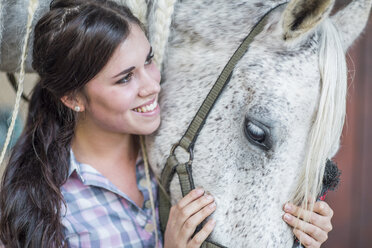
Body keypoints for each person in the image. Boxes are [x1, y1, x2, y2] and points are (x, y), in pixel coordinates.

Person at [0, 0, 333, 247]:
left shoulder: (171, 153)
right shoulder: (58, 210)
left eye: (148, 61)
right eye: (125, 78)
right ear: (74, 99)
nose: (152, 85)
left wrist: (295, 226)